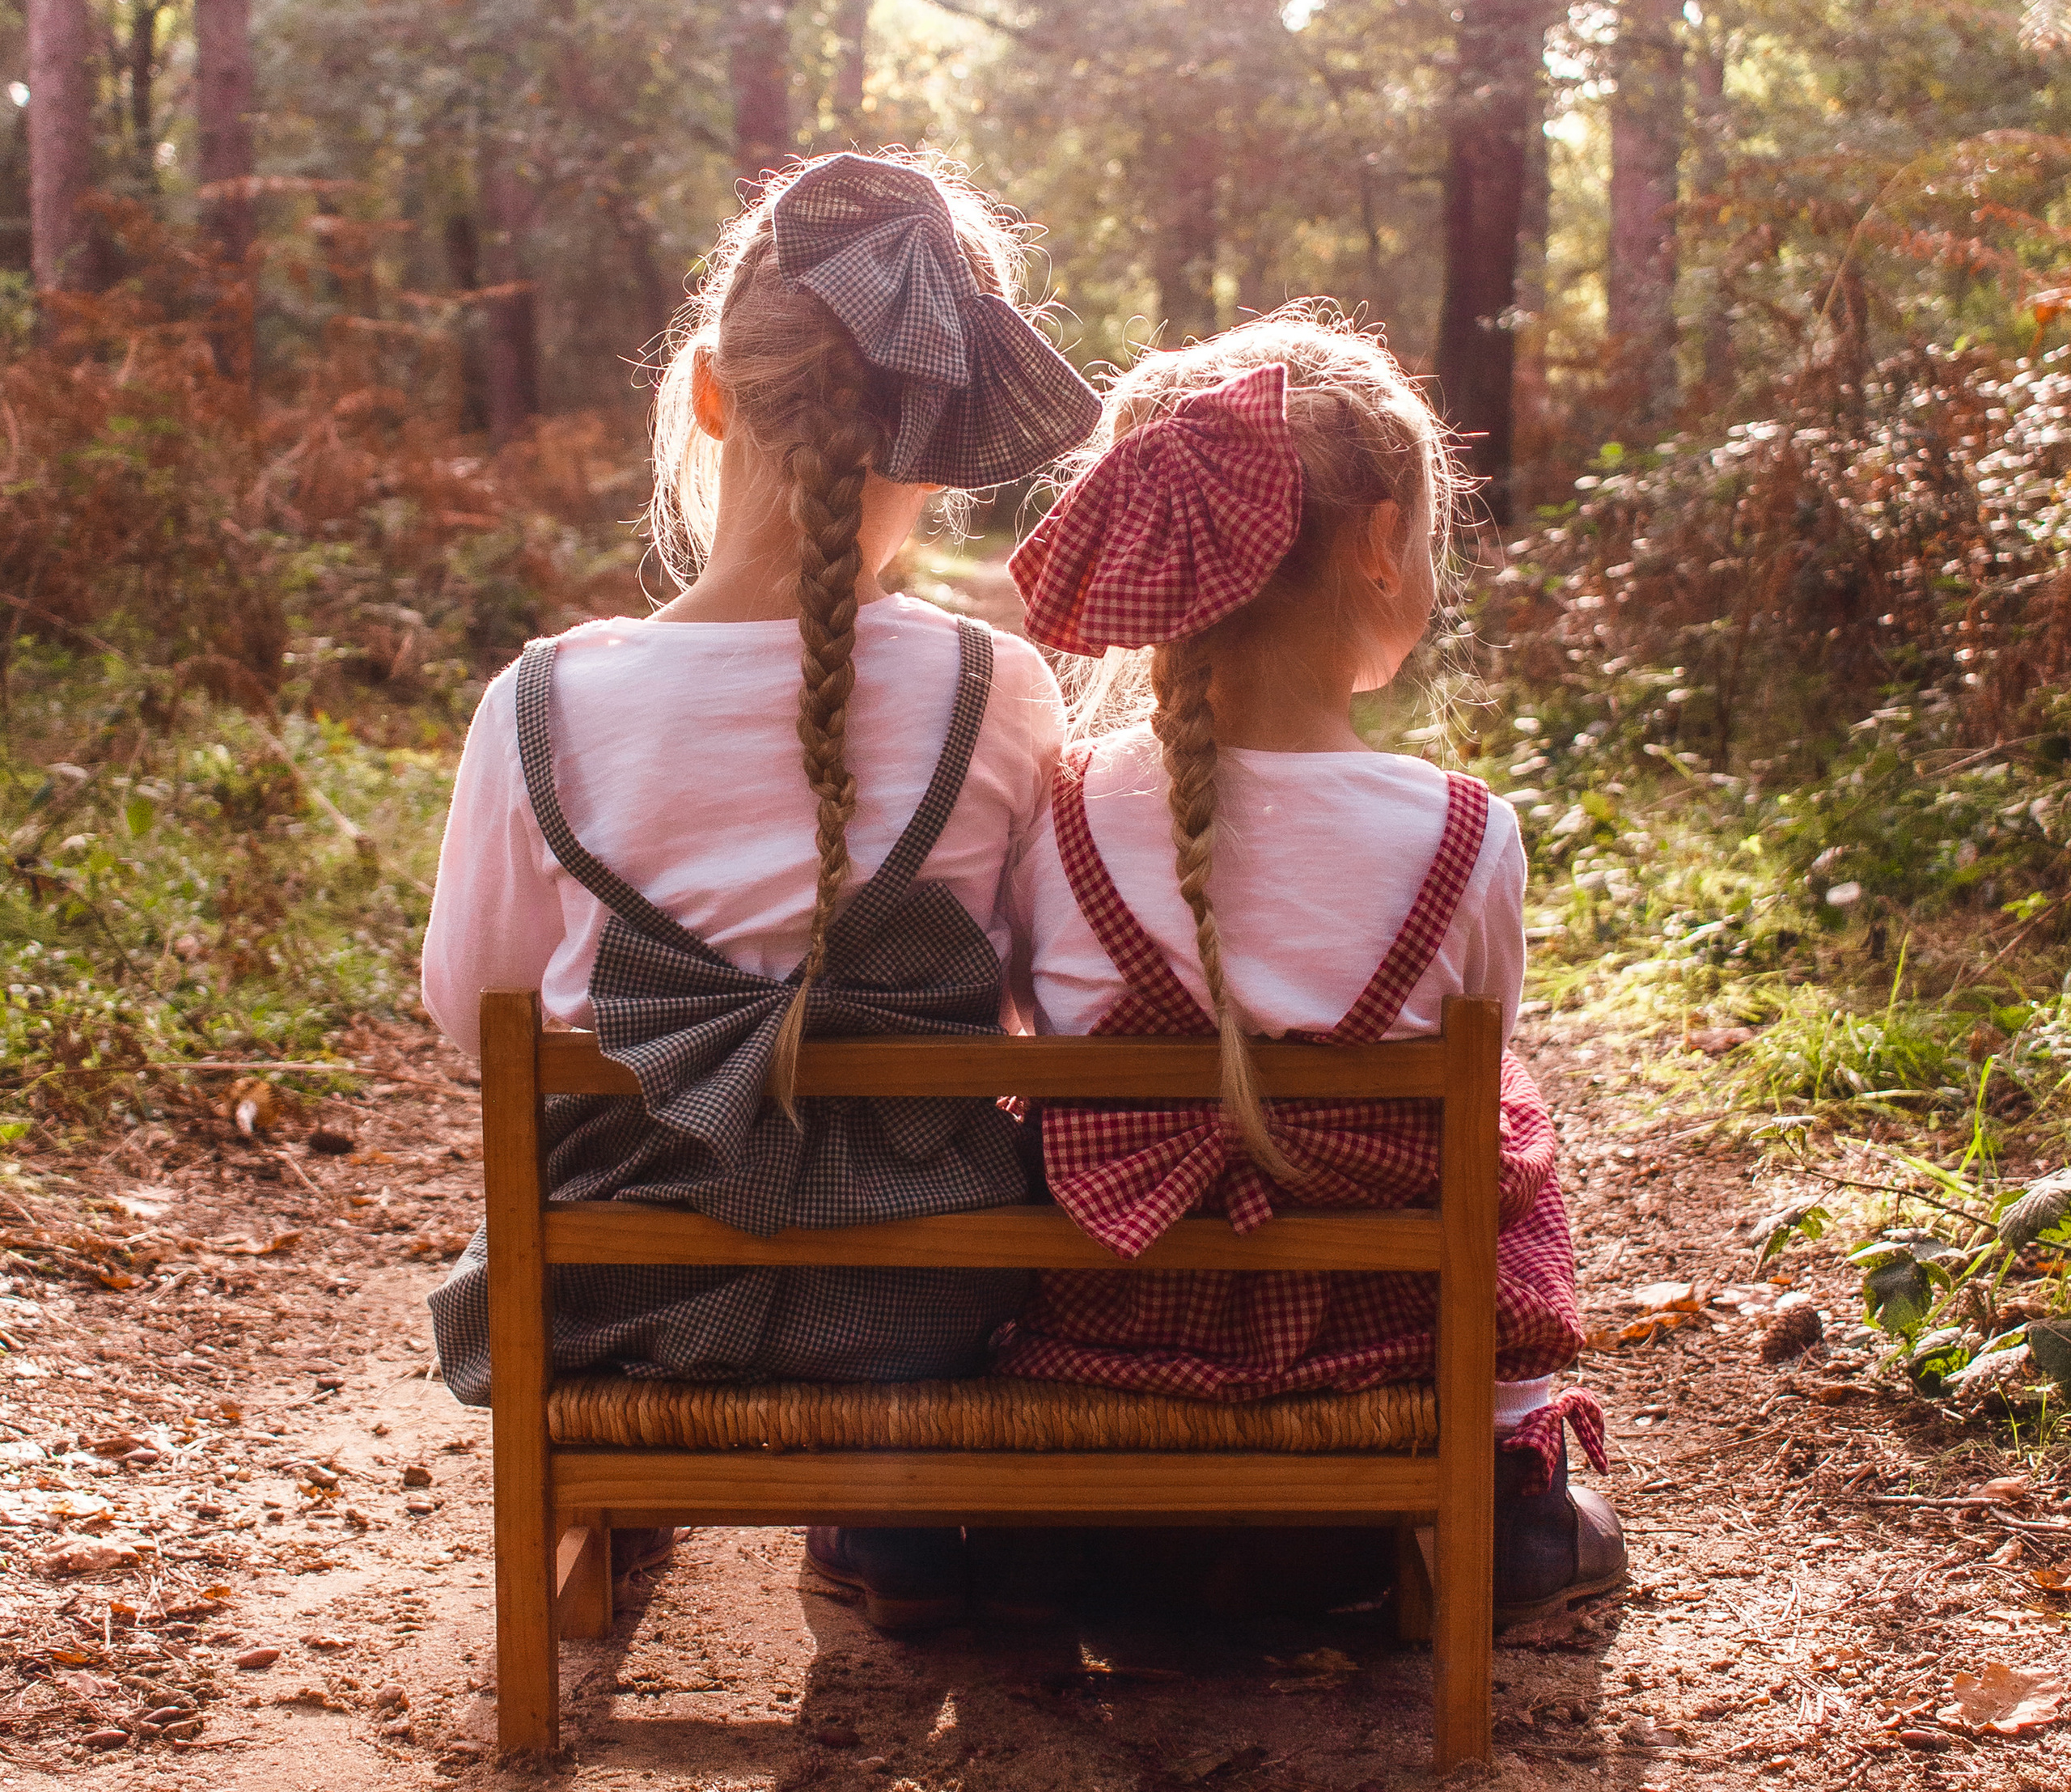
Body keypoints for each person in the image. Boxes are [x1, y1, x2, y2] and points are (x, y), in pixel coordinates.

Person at [421, 150, 1099, 1628]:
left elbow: (476, 1027)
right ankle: (886, 1507)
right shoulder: (1006, 691)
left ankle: (633, 1472)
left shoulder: (539, 702)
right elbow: (1057, 1012)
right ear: (940, 429)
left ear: (712, 393)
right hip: (917, 1292)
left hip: (615, 1293)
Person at [998, 311, 1622, 1625]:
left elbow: (1019, 1037)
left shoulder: (1048, 814)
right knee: (1499, 1106)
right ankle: (1510, 1481)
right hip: (1380, 1378)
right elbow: (1478, 1051)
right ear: (1381, 540)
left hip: (1110, 1385)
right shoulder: (1465, 831)